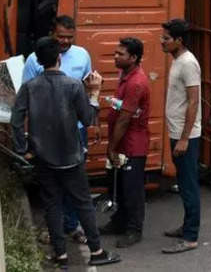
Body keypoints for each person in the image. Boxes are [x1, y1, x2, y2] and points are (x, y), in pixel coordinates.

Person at [10, 37, 121, 268]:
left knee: (52, 205)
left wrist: (23, 149)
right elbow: (88, 119)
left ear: (38, 61)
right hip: (71, 157)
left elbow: (16, 121)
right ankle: (97, 251)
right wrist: (94, 93)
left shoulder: (30, 87)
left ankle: (60, 255)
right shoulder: (72, 85)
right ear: (59, 58)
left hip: (43, 158)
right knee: (82, 204)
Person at [22, 15, 96, 244]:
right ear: (52, 34)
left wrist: (93, 120)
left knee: (75, 182)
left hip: (76, 129)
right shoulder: (36, 59)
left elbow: (88, 88)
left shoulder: (82, 55)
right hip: (46, 132)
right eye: (61, 36)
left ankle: (72, 226)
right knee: (51, 184)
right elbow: (25, 96)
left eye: (69, 38)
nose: (65, 41)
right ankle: (54, 230)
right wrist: (28, 135)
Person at [101, 37, 151, 248]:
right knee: (119, 185)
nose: (115, 56)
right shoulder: (125, 75)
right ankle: (119, 222)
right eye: (115, 52)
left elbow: (124, 119)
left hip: (132, 144)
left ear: (133, 58)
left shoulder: (136, 83)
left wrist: (111, 148)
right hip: (122, 142)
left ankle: (134, 230)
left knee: (132, 190)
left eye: (120, 54)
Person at [160, 19, 202, 254]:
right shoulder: (178, 60)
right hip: (178, 131)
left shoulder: (188, 63)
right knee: (185, 183)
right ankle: (187, 226)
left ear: (179, 40)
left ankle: (190, 237)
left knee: (188, 185)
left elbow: (194, 101)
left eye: (166, 39)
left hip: (186, 135)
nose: (162, 42)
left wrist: (185, 138)